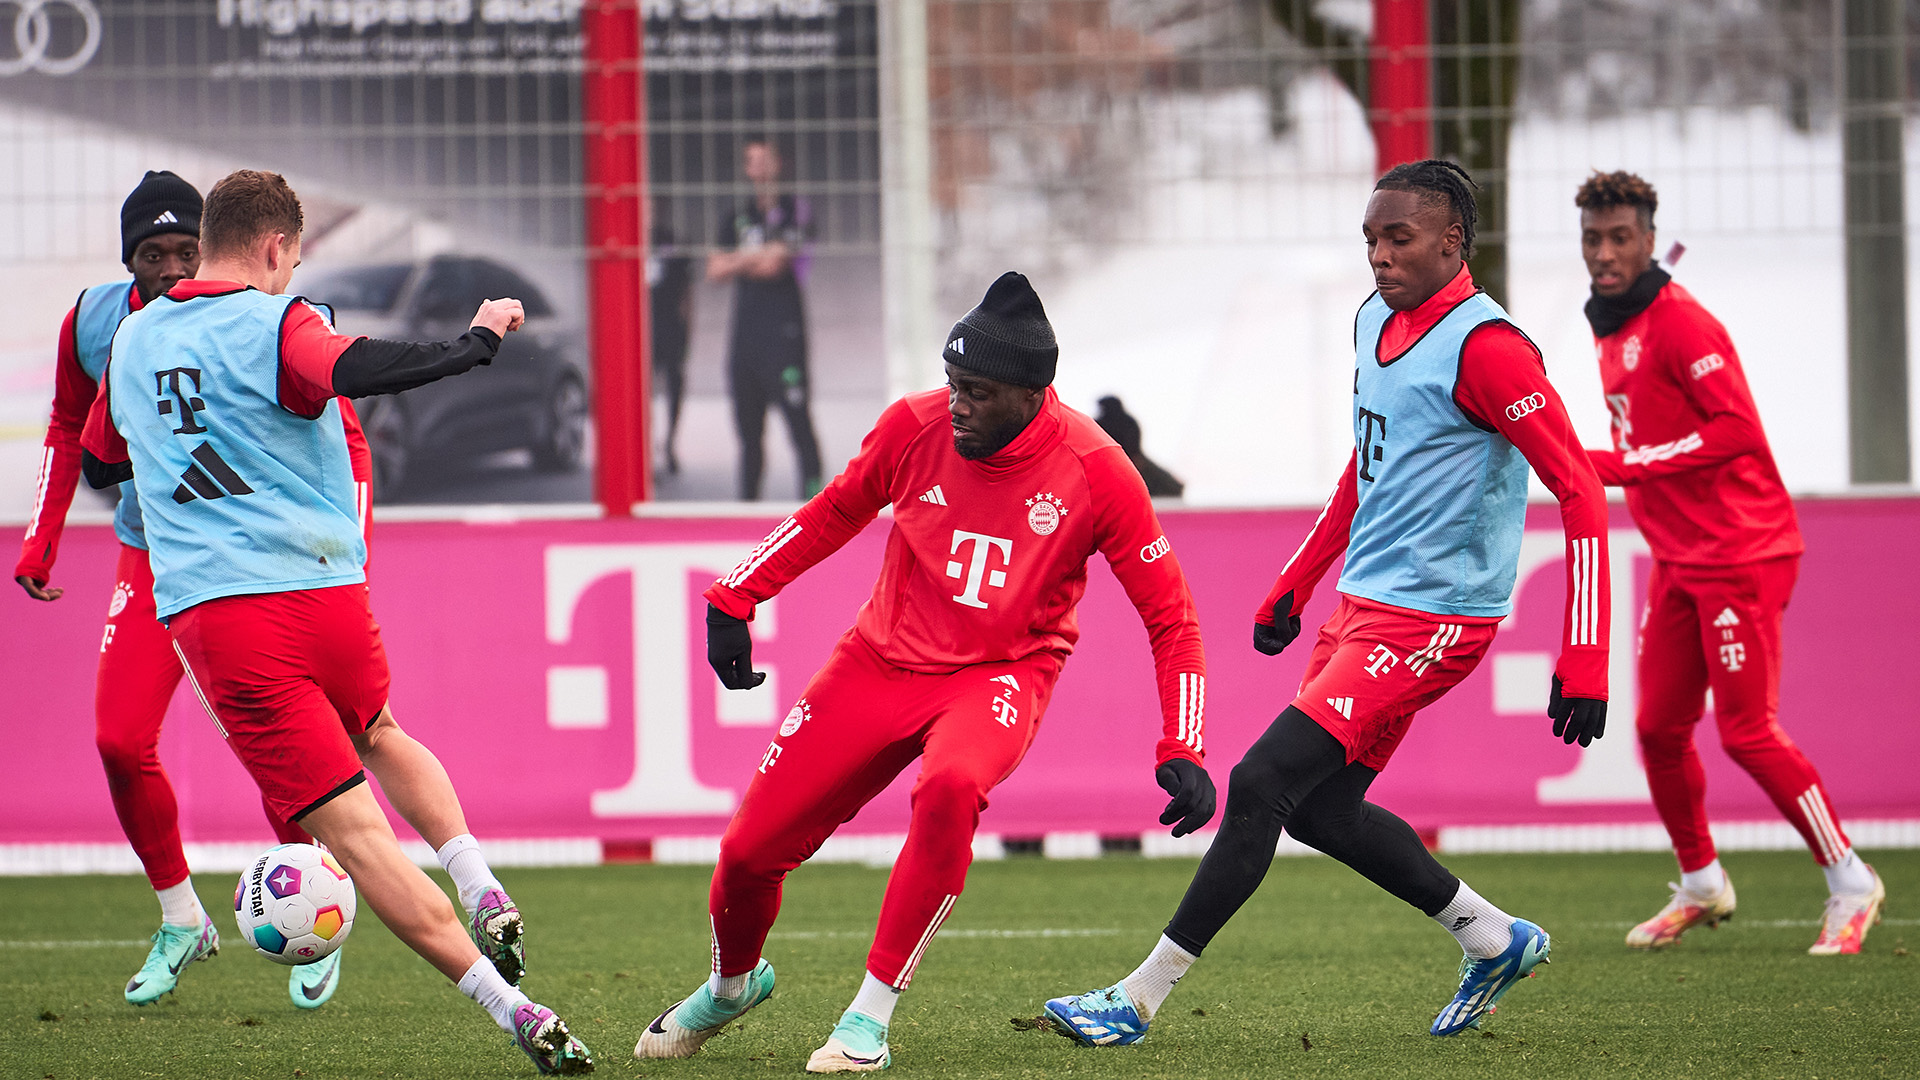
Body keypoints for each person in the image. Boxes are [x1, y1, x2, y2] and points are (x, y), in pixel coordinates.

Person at [1044, 160, 1613, 1044]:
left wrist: (1585, 655)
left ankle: (1136, 999)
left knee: (1260, 781)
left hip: (1437, 618)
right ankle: (1495, 938)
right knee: (1319, 809)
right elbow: (1367, 463)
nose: (1381, 257)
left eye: (1400, 238)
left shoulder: (1490, 349)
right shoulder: (1373, 322)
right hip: (1362, 606)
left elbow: (1580, 489)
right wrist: (1297, 582)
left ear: (1452, 240)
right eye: (1372, 240)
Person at [635, 271, 1216, 1073]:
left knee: (948, 788)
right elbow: (833, 511)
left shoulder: (1096, 468)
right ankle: (733, 986)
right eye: (952, 383)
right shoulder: (913, 427)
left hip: (1001, 675)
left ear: (1029, 393)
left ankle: (868, 1019)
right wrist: (736, 594)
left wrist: (1182, 743)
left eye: (975, 391)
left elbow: (1172, 617)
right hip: (877, 661)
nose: (957, 404)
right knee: (745, 854)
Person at [79, 169, 593, 1074]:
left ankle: (515, 1012)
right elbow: (359, 368)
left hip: (223, 618)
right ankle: (482, 883)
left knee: (355, 837)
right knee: (382, 731)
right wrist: (476, 341)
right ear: (275, 247)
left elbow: (100, 463)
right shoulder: (282, 320)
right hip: (326, 593)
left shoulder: (130, 339)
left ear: (208, 242)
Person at [14, 170, 369, 1010]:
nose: (171, 269)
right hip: (154, 559)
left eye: (185, 250)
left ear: (210, 247)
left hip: (255, 567)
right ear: (127, 259)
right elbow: (71, 427)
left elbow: (346, 433)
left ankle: (323, 906)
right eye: (151, 254)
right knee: (117, 738)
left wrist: (350, 560)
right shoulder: (96, 320)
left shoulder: (274, 315)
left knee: (279, 756)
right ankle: (181, 916)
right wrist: (43, 537)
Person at [1573, 170, 1883, 955]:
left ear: (1649, 239)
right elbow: (1649, 434)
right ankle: (1703, 882)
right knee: (1655, 728)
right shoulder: (1612, 320)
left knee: (1747, 733)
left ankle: (1851, 879)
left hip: (1743, 549)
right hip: (1680, 556)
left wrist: (1628, 464)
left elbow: (1737, 431)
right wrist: (1616, 462)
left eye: (1619, 239)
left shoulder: (1683, 325)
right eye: (1592, 239)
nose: (1604, 254)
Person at [709, 139, 825, 500]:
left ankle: (816, 506)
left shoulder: (795, 209)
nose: (756, 167)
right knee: (748, 434)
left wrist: (739, 259)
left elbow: (777, 265)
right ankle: (747, 508)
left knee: (798, 425)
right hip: (745, 339)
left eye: (763, 159)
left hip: (785, 337)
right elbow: (715, 269)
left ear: (778, 163)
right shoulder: (737, 215)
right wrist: (755, 256)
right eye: (750, 161)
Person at [649, 220, 695, 476]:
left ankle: (669, 443)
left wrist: (687, 332)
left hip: (670, 327)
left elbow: (687, 294)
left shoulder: (673, 244)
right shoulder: (630, 241)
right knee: (643, 392)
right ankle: (647, 448)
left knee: (674, 386)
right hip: (641, 330)